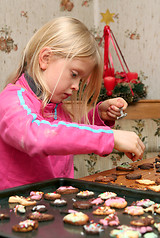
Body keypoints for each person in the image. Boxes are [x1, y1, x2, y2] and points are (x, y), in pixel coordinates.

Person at [0, 16, 145, 190]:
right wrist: (109, 137)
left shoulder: (55, 106)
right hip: (14, 210)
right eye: (74, 74)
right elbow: (39, 137)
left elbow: (65, 138)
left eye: (81, 80)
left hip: (57, 206)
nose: (76, 87)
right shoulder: (11, 100)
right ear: (45, 58)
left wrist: (98, 117)